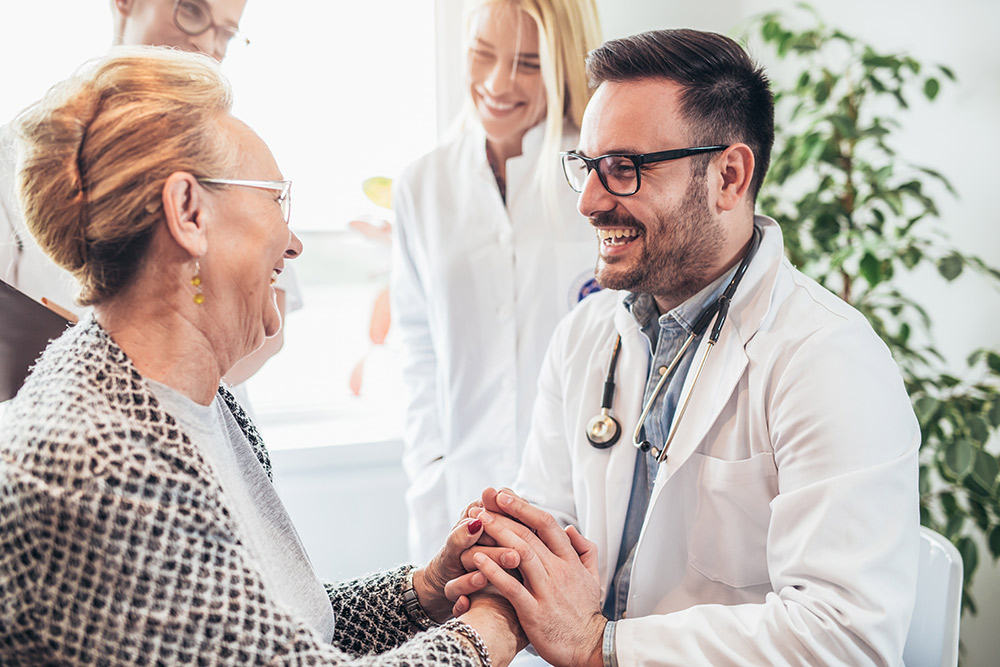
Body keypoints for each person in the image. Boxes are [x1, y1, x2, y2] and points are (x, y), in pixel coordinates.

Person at [0, 47, 522, 666]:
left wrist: (424, 593)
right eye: (278, 199)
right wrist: (488, 630)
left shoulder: (204, 403)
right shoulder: (102, 466)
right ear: (189, 214)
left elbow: (269, 635)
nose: (294, 242)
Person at [452, 29, 921, 665]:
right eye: (588, 167)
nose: (590, 201)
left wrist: (603, 647)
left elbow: (844, 638)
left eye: (626, 169)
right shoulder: (585, 336)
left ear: (729, 175)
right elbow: (547, 522)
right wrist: (504, 575)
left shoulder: (829, 360)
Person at [391, 0, 603, 564]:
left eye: (528, 64)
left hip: (582, 502)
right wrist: (430, 469)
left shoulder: (604, 177)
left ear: (564, 64)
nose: (497, 82)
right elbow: (418, 353)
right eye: (482, 54)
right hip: (459, 494)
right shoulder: (423, 185)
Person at [0, 0, 301, 394]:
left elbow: (267, 319)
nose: (208, 44)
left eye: (227, 32)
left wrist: (182, 388)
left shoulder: (237, 154)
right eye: (191, 10)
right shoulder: (21, 156)